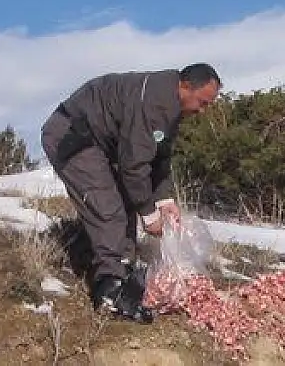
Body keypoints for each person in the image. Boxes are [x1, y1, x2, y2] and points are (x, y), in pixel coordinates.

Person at [40, 63, 221, 322]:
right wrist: (149, 214)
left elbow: (159, 157)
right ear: (184, 86)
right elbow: (134, 167)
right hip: (71, 136)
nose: (203, 111)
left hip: (98, 143)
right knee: (108, 208)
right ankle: (109, 290)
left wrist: (165, 199)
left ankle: (123, 272)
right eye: (202, 103)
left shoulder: (171, 104)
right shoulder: (155, 103)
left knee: (126, 206)